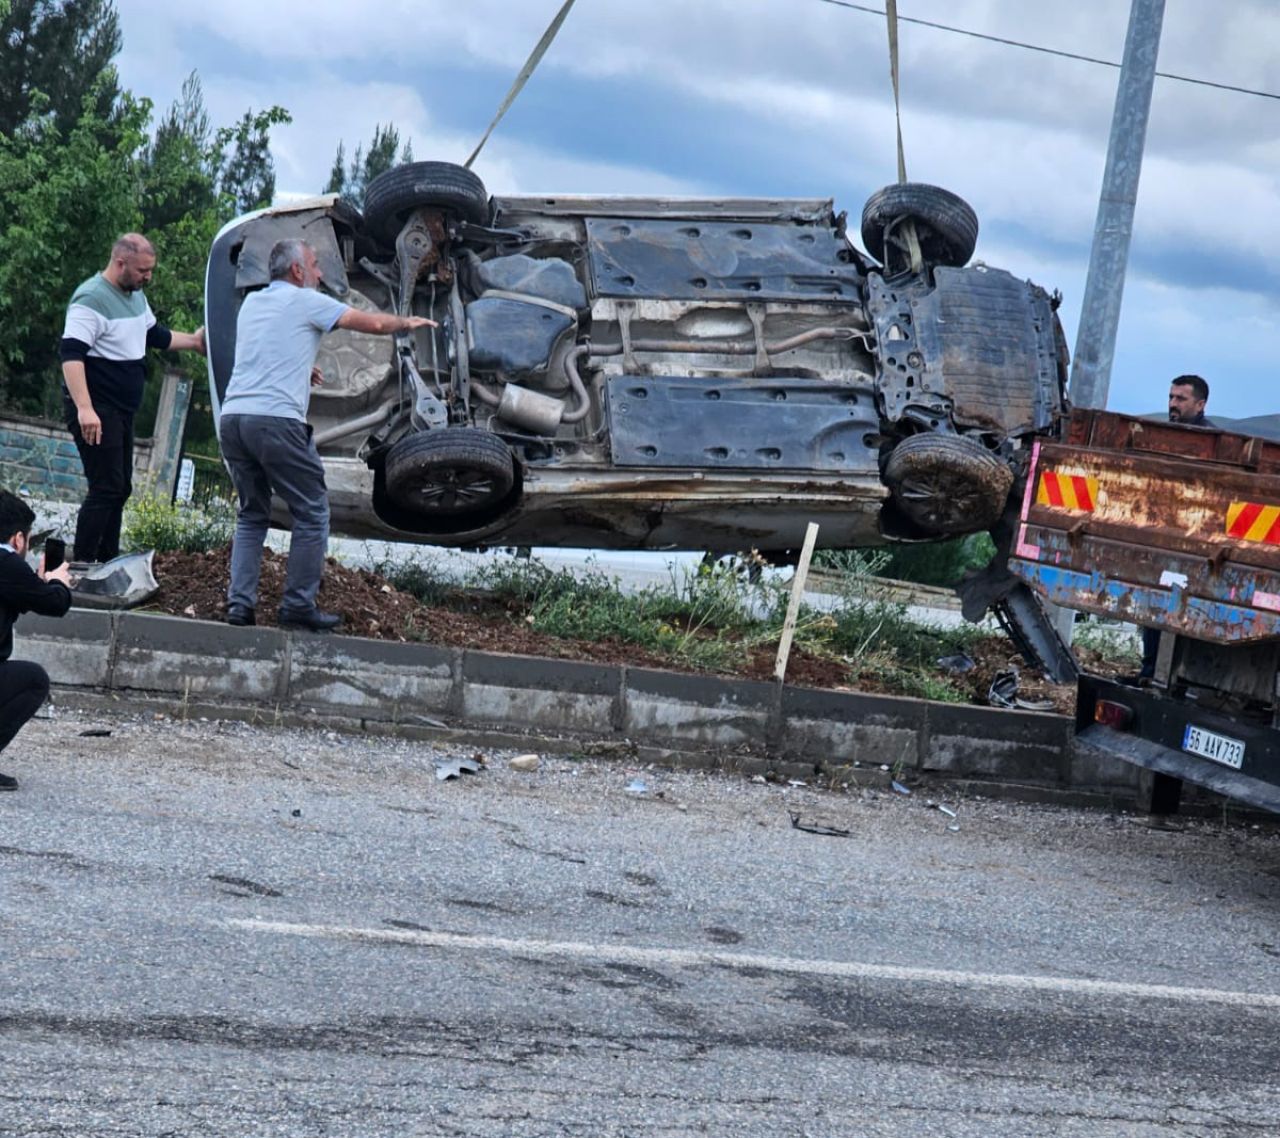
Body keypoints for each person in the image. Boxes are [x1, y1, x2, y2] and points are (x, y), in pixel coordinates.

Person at [219, 238, 435, 632]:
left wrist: (302, 369)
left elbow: (266, 350)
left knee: (252, 515)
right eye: (315, 265)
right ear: (298, 271)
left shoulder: (253, 303)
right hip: (275, 422)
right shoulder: (306, 301)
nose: (319, 274)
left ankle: (239, 607)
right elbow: (368, 323)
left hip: (234, 419)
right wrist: (407, 322)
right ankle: (298, 607)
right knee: (313, 509)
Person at [60, 234, 207, 565]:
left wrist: (195, 343)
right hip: (97, 409)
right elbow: (71, 355)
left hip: (120, 410)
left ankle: (107, 559)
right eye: (143, 270)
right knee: (106, 486)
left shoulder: (135, 296)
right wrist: (85, 409)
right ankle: (84, 564)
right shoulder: (91, 299)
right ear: (120, 263)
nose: (148, 277)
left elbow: (154, 334)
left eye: (150, 270)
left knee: (120, 487)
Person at [1136, 374, 1214, 680]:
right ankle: (1149, 670)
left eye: (1180, 399)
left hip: (1193, 546)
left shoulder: (1212, 444)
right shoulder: (1163, 436)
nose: (1172, 404)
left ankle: (1170, 673)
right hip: (1161, 539)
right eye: (1171, 397)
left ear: (1200, 404)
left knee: (1181, 612)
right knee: (1154, 609)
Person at [0, 489, 74, 792]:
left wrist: (36, 583)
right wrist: (58, 581)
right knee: (33, 680)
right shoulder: (6, 562)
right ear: (18, 539)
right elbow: (55, 603)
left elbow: (16, 593)